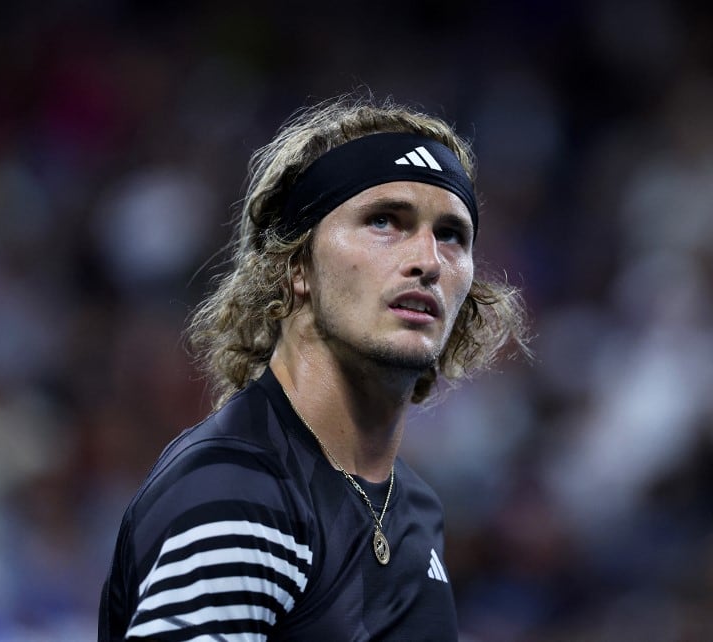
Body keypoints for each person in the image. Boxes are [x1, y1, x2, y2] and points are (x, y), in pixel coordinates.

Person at [98, 95, 530, 641]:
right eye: (384, 221)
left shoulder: (413, 506)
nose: (428, 259)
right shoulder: (240, 488)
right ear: (296, 265)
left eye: (451, 234)